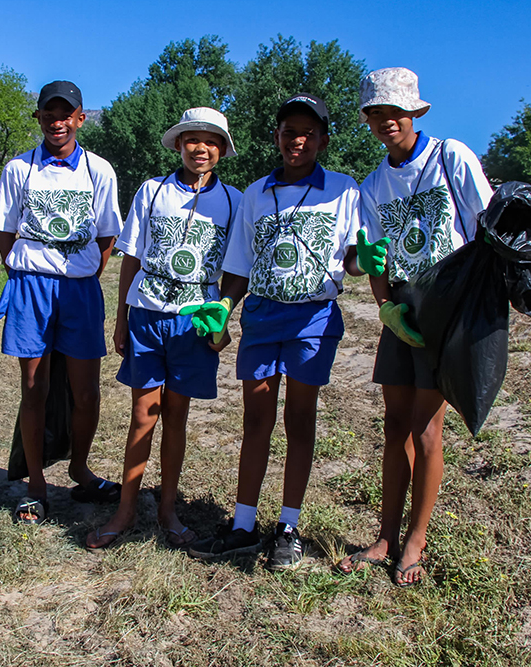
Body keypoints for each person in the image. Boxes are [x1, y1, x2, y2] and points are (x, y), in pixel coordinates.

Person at [186, 94, 363, 571]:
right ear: (276, 137)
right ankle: (243, 525)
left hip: (313, 320)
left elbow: (352, 256)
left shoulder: (345, 190)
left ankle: (288, 527)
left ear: (323, 139)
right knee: (256, 421)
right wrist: (224, 306)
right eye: (288, 131)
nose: (297, 140)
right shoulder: (255, 194)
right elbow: (240, 265)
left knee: (300, 421)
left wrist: (361, 260)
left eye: (308, 132)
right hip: (262, 317)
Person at [337, 67, 493, 586]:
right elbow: (372, 257)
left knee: (427, 430)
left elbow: (490, 225)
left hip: (447, 305)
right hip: (402, 307)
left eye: (395, 112)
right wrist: (385, 307)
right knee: (394, 426)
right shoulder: (375, 184)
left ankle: (415, 541)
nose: (387, 122)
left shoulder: (452, 157)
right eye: (376, 114)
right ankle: (384, 535)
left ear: (415, 112)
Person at [85, 108, 243, 549]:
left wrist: (223, 310)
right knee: (142, 417)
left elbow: (236, 269)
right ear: (178, 144)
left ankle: (169, 511)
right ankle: (126, 510)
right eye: (192, 139)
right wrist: (121, 318)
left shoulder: (232, 201)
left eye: (212, 141)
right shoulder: (153, 192)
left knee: (177, 417)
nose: (201, 148)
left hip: (195, 322)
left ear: (222, 150)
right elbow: (131, 257)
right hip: (148, 316)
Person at [0, 81, 123, 524]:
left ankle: (80, 469)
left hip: (79, 290)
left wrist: (82, 272)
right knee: (35, 388)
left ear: (80, 118)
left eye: (66, 114)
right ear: (39, 117)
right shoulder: (19, 168)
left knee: (86, 391)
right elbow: (5, 233)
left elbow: (107, 236)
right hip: (31, 287)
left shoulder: (99, 170)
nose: (57, 122)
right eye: (49, 114)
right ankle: (36, 485)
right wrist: (28, 271)